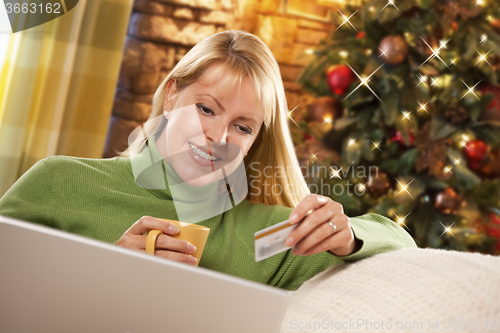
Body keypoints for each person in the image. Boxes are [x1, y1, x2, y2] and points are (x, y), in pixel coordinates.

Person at [0, 30, 417, 291]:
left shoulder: (267, 239)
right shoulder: (61, 181)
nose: (217, 137)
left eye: (242, 127)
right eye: (206, 108)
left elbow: (402, 246)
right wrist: (104, 269)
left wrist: (347, 235)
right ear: (171, 95)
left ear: (255, 141)